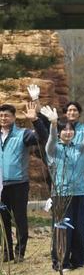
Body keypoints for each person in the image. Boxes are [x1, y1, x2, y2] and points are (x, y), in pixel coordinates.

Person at [42, 106, 84, 270]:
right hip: (61, 195)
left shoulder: (80, 148)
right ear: (60, 133)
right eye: (64, 130)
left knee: (80, 228)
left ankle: (79, 261)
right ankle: (61, 263)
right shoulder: (53, 150)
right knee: (62, 230)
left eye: (70, 130)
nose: (68, 133)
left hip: (80, 193)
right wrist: (53, 124)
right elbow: (52, 140)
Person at [0, 97, 43, 262]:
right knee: (3, 221)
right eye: (1, 115)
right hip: (1, 186)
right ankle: (7, 252)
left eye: (7, 115)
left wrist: (35, 120)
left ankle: (20, 253)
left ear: (14, 117)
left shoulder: (22, 134)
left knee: (19, 219)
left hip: (18, 184)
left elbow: (41, 137)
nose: (3, 118)